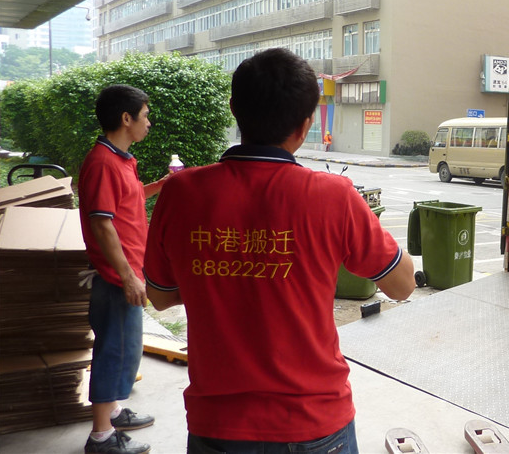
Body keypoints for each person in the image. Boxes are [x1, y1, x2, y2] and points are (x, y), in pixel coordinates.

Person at [143, 48, 416, 453]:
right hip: (315, 423)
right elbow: (402, 285)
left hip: (217, 426)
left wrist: (223, 278)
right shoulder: (334, 197)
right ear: (306, 126)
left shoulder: (181, 193)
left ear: (234, 109)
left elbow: (161, 296)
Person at [79, 85, 166, 454]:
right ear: (126, 118)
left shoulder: (120, 160)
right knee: (114, 352)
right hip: (117, 278)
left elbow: (124, 201)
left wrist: (161, 186)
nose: (148, 122)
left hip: (127, 272)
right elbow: (102, 224)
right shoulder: (102, 162)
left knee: (126, 351)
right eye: (144, 115)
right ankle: (100, 435)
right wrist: (129, 276)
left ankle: (111, 411)